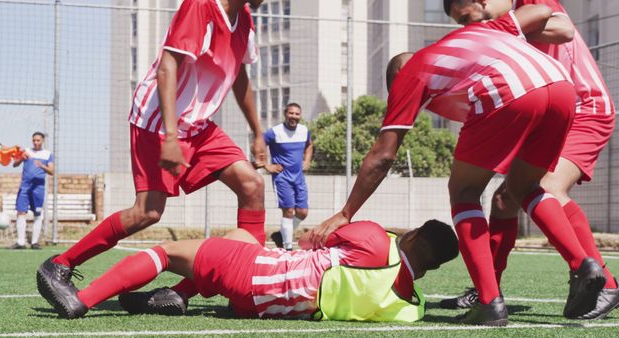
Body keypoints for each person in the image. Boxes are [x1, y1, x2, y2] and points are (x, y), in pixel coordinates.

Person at [309, 6, 606, 326]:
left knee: (464, 192)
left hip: (511, 91)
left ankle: (490, 302)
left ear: (397, 80)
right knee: (524, 187)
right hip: (560, 87)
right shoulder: (481, 32)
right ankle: (582, 263)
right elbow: (547, 12)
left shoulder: (410, 72)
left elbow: (383, 156)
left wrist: (346, 213)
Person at [37, 0, 268, 309]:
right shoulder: (201, 6)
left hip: (198, 126)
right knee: (147, 212)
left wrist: (258, 133)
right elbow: (167, 65)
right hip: (158, 120)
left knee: (252, 186)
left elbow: (238, 74)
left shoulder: (246, 19)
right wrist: (171, 136)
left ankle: (183, 292)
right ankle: (61, 264)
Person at [441, 0, 618, 321]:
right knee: (504, 200)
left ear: (481, 1)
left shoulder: (529, 2)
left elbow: (563, 28)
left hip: (583, 107)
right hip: (550, 109)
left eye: (466, 17)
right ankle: (487, 291)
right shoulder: (505, 21)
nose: (468, 26)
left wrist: (499, 29)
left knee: (547, 186)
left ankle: (605, 282)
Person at [39, 218, 458, 320]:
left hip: (255, 274)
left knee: (167, 251)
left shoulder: (374, 238)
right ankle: (181, 295)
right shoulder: (411, 306)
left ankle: (83, 300)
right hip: (262, 307)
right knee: (241, 233)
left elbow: (317, 239)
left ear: (416, 237)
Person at [263, 103, 313, 250]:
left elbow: (309, 145)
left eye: (297, 114)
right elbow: (259, 145)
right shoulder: (274, 132)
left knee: (302, 212)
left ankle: (280, 235)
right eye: (291, 113)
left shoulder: (304, 131)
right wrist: (267, 166)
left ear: (300, 116)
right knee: (289, 211)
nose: (294, 117)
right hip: (282, 178)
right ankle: (288, 247)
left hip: (299, 178)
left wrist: (307, 160)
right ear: (285, 114)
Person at [11, 132, 54, 250]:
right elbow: (14, 164)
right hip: (24, 187)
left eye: (38, 140)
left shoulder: (47, 154)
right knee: (21, 212)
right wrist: (20, 159)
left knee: (38, 214)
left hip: (39, 188)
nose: (36, 142)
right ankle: (20, 242)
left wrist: (41, 166)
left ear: (42, 141)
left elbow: (52, 171)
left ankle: (35, 242)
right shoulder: (26, 151)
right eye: (34, 140)